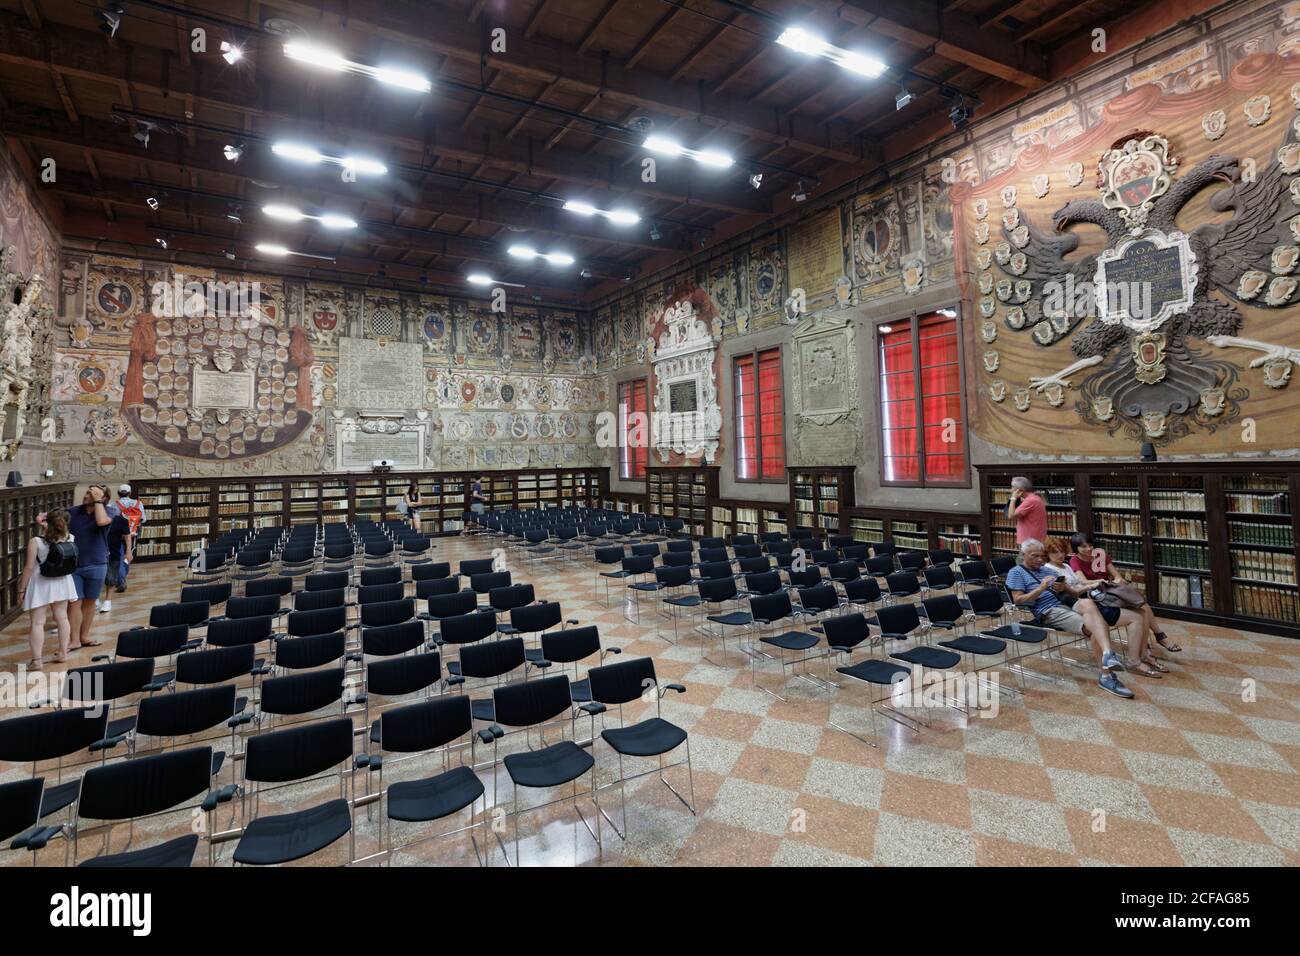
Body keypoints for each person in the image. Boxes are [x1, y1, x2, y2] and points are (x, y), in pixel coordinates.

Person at [1005, 538, 1136, 698]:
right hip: (1048, 610)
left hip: (1066, 602)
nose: (1039, 560)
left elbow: (1073, 593)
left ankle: (1108, 654)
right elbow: (1018, 600)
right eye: (1034, 556)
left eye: (1041, 556)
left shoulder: (1049, 571)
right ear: (1023, 554)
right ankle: (1106, 676)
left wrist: (1064, 588)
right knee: (1096, 627)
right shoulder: (1016, 572)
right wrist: (1041, 589)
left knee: (1088, 603)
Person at [1047, 536, 1162, 678]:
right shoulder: (1050, 570)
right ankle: (1134, 661)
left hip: (1093, 598)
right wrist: (1095, 584)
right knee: (1137, 617)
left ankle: (1143, 653)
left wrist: (1098, 584)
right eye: (1054, 552)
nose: (1059, 555)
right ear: (1048, 554)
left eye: (1061, 551)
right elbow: (1072, 592)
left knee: (1141, 610)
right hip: (1082, 605)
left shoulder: (1066, 566)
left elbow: (1081, 584)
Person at [1070, 533, 1179, 658]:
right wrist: (1100, 581)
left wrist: (1117, 580)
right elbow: (1083, 581)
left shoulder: (1100, 554)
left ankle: (1156, 637)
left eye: (1090, 545)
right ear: (1076, 548)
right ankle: (1152, 642)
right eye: (1083, 547)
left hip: (1111, 589)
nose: (1088, 549)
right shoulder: (1075, 560)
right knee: (1140, 611)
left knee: (1144, 606)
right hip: (1096, 594)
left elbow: (1116, 575)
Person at [18, 509, 77, 670]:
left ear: (48, 523)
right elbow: (56, 534)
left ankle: (37, 661)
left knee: (37, 623)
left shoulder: (35, 541)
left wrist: (22, 589)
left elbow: (29, 567)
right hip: (63, 581)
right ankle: (63, 653)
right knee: (62, 618)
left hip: (41, 582)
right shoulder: (70, 538)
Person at [67, 483, 111, 650]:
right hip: (74, 565)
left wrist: (98, 501)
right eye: (86, 492)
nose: (86, 496)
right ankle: (74, 640)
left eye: (90, 494)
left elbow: (101, 522)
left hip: (97, 563)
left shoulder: (110, 511)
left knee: (90, 602)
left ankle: (84, 636)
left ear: (103, 498)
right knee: (74, 602)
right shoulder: (73, 512)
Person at [101, 490, 132, 613]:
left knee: (111, 574)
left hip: (113, 549)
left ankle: (108, 600)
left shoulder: (119, 519)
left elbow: (127, 535)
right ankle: (121, 579)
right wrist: (128, 551)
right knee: (107, 573)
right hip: (106, 549)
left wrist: (128, 552)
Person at [112, 483, 146, 593]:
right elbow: (143, 519)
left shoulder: (114, 504)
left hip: (118, 535)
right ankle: (122, 577)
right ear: (130, 493)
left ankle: (121, 579)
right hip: (132, 534)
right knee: (128, 554)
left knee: (119, 555)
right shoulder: (138, 503)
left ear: (118, 493)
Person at [1005, 476, 1047, 545]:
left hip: (1030, 543)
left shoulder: (1030, 501)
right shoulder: (1033, 498)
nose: (1011, 490)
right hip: (1032, 540)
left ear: (1020, 491)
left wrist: (1013, 498)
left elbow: (1011, 515)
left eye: (1012, 487)